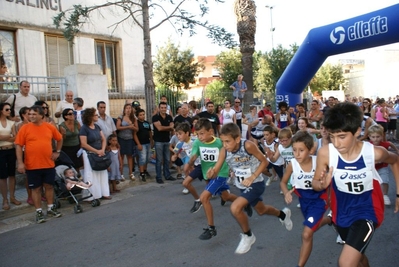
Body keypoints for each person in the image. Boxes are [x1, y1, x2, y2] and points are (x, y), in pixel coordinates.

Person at [312, 102, 399, 267]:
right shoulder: (326, 153)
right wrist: (321, 184)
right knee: (358, 257)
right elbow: (316, 182)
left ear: (358, 131)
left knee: (346, 263)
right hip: (341, 212)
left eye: (342, 136)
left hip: (367, 211)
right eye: (332, 136)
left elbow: (395, 161)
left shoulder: (373, 152)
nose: (336, 143)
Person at [207, 123, 293, 254]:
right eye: (222, 141)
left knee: (235, 208)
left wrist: (252, 177)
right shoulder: (224, 151)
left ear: (237, 139)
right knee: (261, 210)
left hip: (256, 183)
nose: (224, 145)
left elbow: (264, 161)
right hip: (243, 185)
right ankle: (283, 214)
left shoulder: (247, 145)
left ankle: (248, 236)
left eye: (227, 141)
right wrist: (211, 173)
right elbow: (216, 170)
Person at [280, 131, 330, 267]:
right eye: (294, 150)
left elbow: (331, 181)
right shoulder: (292, 164)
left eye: (301, 150)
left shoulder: (319, 162)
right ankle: (330, 220)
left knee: (307, 234)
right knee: (311, 226)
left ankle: (300, 265)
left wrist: (330, 198)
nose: (297, 154)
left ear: (311, 150)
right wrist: (286, 193)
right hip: (304, 202)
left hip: (319, 200)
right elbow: (283, 182)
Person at [187, 118, 242, 240]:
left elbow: (230, 153)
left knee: (204, 198)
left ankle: (211, 228)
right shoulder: (197, 143)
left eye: (202, 133)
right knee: (226, 196)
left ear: (211, 131)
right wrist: (191, 160)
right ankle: (243, 202)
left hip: (221, 173)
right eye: (197, 134)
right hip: (208, 175)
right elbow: (194, 155)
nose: (199, 137)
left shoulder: (219, 143)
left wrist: (233, 168)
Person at [15, 105, 63, 223]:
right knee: (35, 189)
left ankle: (51, 208)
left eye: (34, 114)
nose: (31, 116)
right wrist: (20, 163)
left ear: (41, 115)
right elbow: (18, 145)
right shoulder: (25, 128)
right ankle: (39, 211)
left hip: (48, 164)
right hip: (32, 165)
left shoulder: (49, 127)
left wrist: (57, 151)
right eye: (29, 114)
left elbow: (59, 138)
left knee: (49, 186)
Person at [79, 107, 112, 201]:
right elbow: (84, 143)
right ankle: (93, 195)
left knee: (102, 172)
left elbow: (103, 138)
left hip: (100, 152)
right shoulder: (84, 128)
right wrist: (96, 151)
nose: (97, 116)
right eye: (95, 115)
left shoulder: (97, 126)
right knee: (91, 174)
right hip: (90, 154)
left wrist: (102, 149)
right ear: (90, 117)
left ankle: (105, 193)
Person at [368, 124, 399, 206]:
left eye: (378, 136)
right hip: (371, 168)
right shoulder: (367, 145)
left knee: (384, 180)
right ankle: (371, 196)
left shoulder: (384, 144)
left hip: (383, 166)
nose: (375, 139)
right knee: (370, 182)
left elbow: (390, 144)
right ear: (369, 137)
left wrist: (397, 150)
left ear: (381, 136)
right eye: (373, 137)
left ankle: (384, 194)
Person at [0, 102, 20, 210]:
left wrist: (4, 137)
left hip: (11, 150)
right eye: (7, 109)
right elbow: (11, 136)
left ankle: (12, 197)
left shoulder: (11, 123)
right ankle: (5, 199)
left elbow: (15, 138)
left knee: (12, 175)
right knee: (2, 177)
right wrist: (9, 136)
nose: (9, 111)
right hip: (1, 151)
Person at [152, 102, 176, 184]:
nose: (163, 109)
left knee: (167, 159)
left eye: (164, 107)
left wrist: (167, 128)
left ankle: (167, 175)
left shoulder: (169, 117)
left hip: (167, 140)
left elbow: (172, 128)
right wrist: (169, 127)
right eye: (161, 107)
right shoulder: (155, 117)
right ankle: (158, 177)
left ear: (166, 108)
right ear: (159, 108)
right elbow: (159, 128)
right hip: (158, 141)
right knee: (159, 160)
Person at [15, 106, 33, 205]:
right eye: (28, 114)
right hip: (24, 152)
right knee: (28, 176)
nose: (30, 115)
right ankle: (29, 195)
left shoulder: (33, 124)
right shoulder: (20, 125)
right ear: (23, 115)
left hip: (33, 152)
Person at [116, 103, 138, 181]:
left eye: (130, 108)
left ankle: (130, 173)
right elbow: (118, 127)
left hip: (129, 139)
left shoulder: (133, 118)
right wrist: (128, 126)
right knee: (121, 156)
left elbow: (137, 129)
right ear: (124, 109)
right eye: (127, 108)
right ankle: (121, 174)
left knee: (130, 157)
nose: (128, 110)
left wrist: (132, 126)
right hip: (121, 139)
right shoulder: (120, 117)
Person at [133, 108, 153, 182]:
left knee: (147, 158)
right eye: (140, 115)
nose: (142, 116)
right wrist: (138, 144)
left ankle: (145, 170)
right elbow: (134, 134)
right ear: (137, 116)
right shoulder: (136, 124)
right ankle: (141, 173)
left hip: (147, 142)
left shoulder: (147, 123)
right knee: (142, 158)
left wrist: (151, 141)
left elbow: (149, 132)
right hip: (141, 144)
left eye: (143, 114)